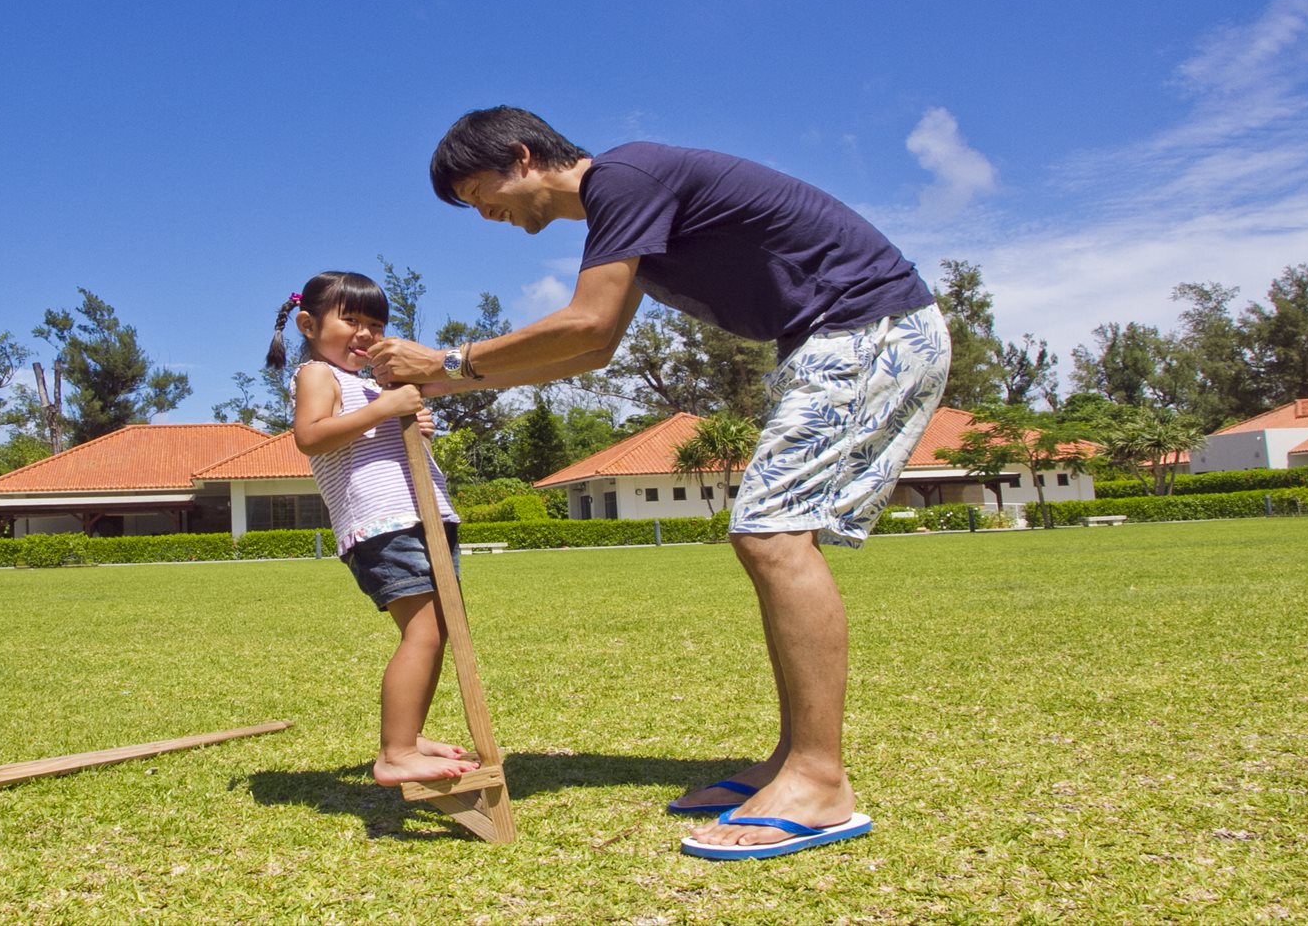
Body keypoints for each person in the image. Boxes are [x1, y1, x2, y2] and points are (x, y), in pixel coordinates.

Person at [368, 107, 950, 860]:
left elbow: (585, 321)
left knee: (771, 534)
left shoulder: (624, 178)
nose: (487, 214)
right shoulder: (625, 208)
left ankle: (820, 780)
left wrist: (445, 361)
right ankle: (792, 758)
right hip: (835, 336)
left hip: (869, 326)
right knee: (767, 535)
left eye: (481, 192)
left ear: (521, 156)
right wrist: (441, 388)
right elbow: (595, 348)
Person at [270, 270, 481, 786]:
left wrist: (410, 421)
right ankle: (395, 752)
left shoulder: (373, 385)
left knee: (438, 630)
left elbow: (381, 440)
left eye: (376, 323)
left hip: (424, 515)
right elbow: (311, 437)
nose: (365, 333)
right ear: (308, 324)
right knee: (423, 631)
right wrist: (388, 408)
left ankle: (408, 735)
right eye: (351, 320)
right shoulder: (318, 374)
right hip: (381, 522)